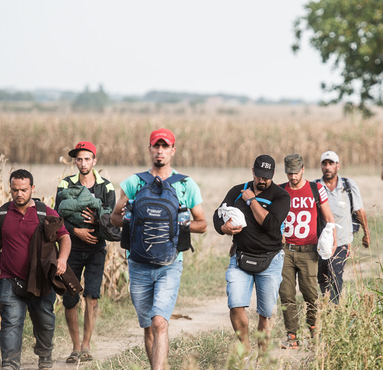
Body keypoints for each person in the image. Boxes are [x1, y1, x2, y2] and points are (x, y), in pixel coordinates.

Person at [109, 128, 207, 370]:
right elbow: (114, 219)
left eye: (165, 147)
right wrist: (128, 218)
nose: (160, 151)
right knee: (148, 326)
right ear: (150, 149)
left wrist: (177, 225)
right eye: (156, 146)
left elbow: (203, 224)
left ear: (173, 151)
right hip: (138, 263)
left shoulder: (186, 184)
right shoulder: (133, 183)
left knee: (159, 322)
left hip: (170, 264)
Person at [0, 169, 71, 370]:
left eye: (23, 190)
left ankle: (44, 355)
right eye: (15, 190)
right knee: (11, 323)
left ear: (32, 188)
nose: (19, 194)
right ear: (10, 189)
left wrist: (62, 259)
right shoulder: (2, 214)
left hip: (41, 279)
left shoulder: (46, 213)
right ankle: (10, 364)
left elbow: (64, 237)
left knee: (45, 322)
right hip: (9, 278)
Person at [213, 155, 290, 353]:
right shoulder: (236, 191)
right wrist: (224, 228)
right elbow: (218, 213)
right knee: (235, 305)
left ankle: (262, 359)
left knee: (265, 314)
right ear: (253, 171)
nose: (262, 180)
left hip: (270, 259)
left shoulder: (281, 196)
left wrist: (252, 200)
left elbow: (271, 225)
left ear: (272, 174)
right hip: (240, 258)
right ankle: (245, 350)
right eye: (259, 176)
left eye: (266, 176)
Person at [54, 141, 116, 364]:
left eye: (87, 159)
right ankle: (75, 347)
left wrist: (98, 223)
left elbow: (112, 221)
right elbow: (56, 218)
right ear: (75, 162)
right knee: (70, 298)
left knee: (91, 295)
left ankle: (87, 345)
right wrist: (76, 231)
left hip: (96, 250)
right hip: (70, 249)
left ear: (94, 161)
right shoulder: (65, 184)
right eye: (79, 159)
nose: (83, 163)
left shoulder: (106, 187)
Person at [277, 154, 335, 349]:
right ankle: (292, 336)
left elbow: (329, 218)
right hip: (285, 250)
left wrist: (331, 240)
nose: (292, 177)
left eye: (295, 173)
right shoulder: (280, 191)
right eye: (289, 173)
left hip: (309, 250)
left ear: (303, 170)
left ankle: (314, 333)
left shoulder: (316, 189)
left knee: (310, 294)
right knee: (286, 294)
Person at [317, 151, 370, 302]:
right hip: (322, 241)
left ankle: (334, 308)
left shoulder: (348, 185)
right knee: (322, 276)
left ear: (337, 166)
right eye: (325, 164)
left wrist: (366, 233)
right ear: (321, 166)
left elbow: (359, 210)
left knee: (334, 272)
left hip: (342, 240)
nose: (328, 167)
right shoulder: (315, 187)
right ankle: (327, 301)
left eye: (331, 163)